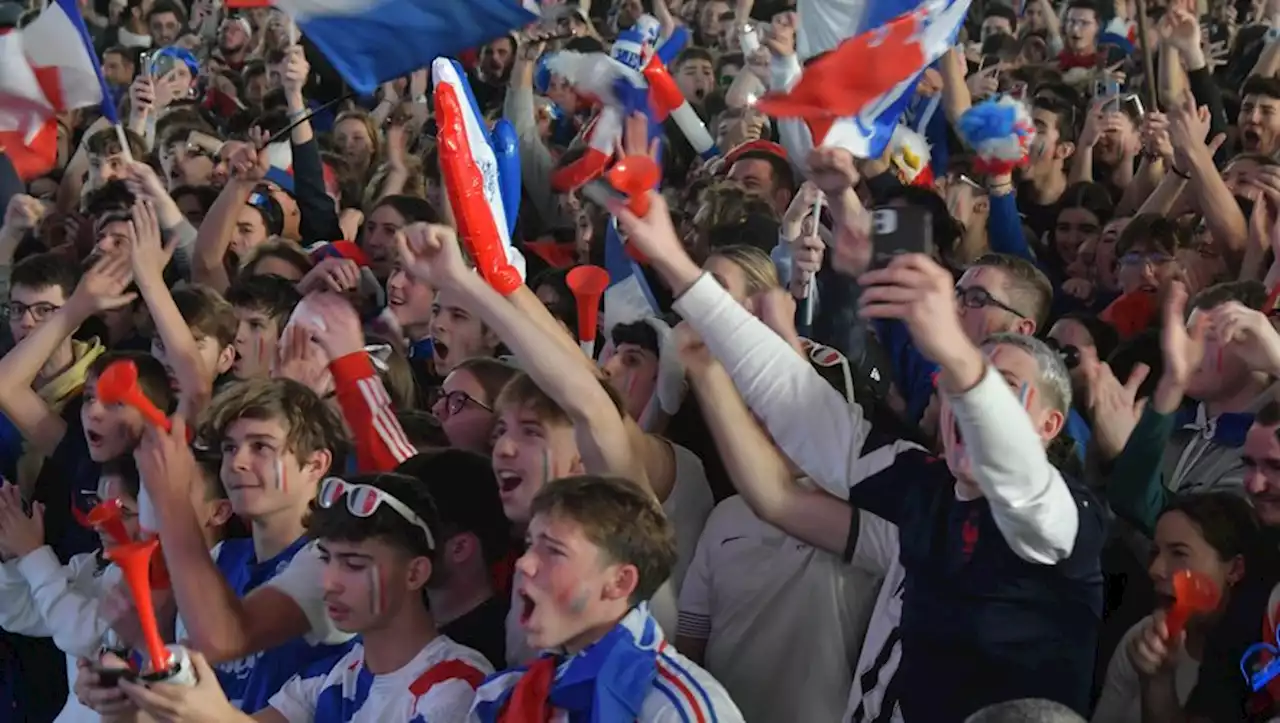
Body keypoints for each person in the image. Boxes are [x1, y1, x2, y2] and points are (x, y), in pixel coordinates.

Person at [614, 189, 1107, 720]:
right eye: (960, 390)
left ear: (1050, 426)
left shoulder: (1066, 520)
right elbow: (804, 409)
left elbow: (1019, 476)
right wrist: (671, 261)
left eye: (1006, 387)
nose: (965, 405)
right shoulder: (926, 487)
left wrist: (958, 360)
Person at [119, 473, 492, 723]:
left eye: (355, 564)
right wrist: (125, 705)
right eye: (326, 559)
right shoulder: (338, 672)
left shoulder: (455, 683)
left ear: (415, 573)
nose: (329, 581)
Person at [469, 475, 744, 722]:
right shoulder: (504, 694)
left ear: (619, 582)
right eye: (530, 544)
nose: (524, 563)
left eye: (554, 550)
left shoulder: (677, 710)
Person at [1092, 493, 1261, 723]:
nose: (1155, 569)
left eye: (1179, 553)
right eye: (1155, 552)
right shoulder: (1143, 637)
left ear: (1235, 569)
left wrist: (1159, 682)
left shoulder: (1255, 666)